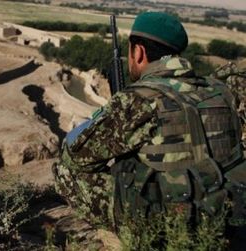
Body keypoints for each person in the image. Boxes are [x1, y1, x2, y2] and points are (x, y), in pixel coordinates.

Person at [52, 12, 246, 229]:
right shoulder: (219, 90)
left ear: (139, 51)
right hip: (222, 209)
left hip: (170, 222)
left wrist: (102, 117)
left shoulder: (138, 99)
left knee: (65, 170)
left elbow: (76, 155)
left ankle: (135, 232)